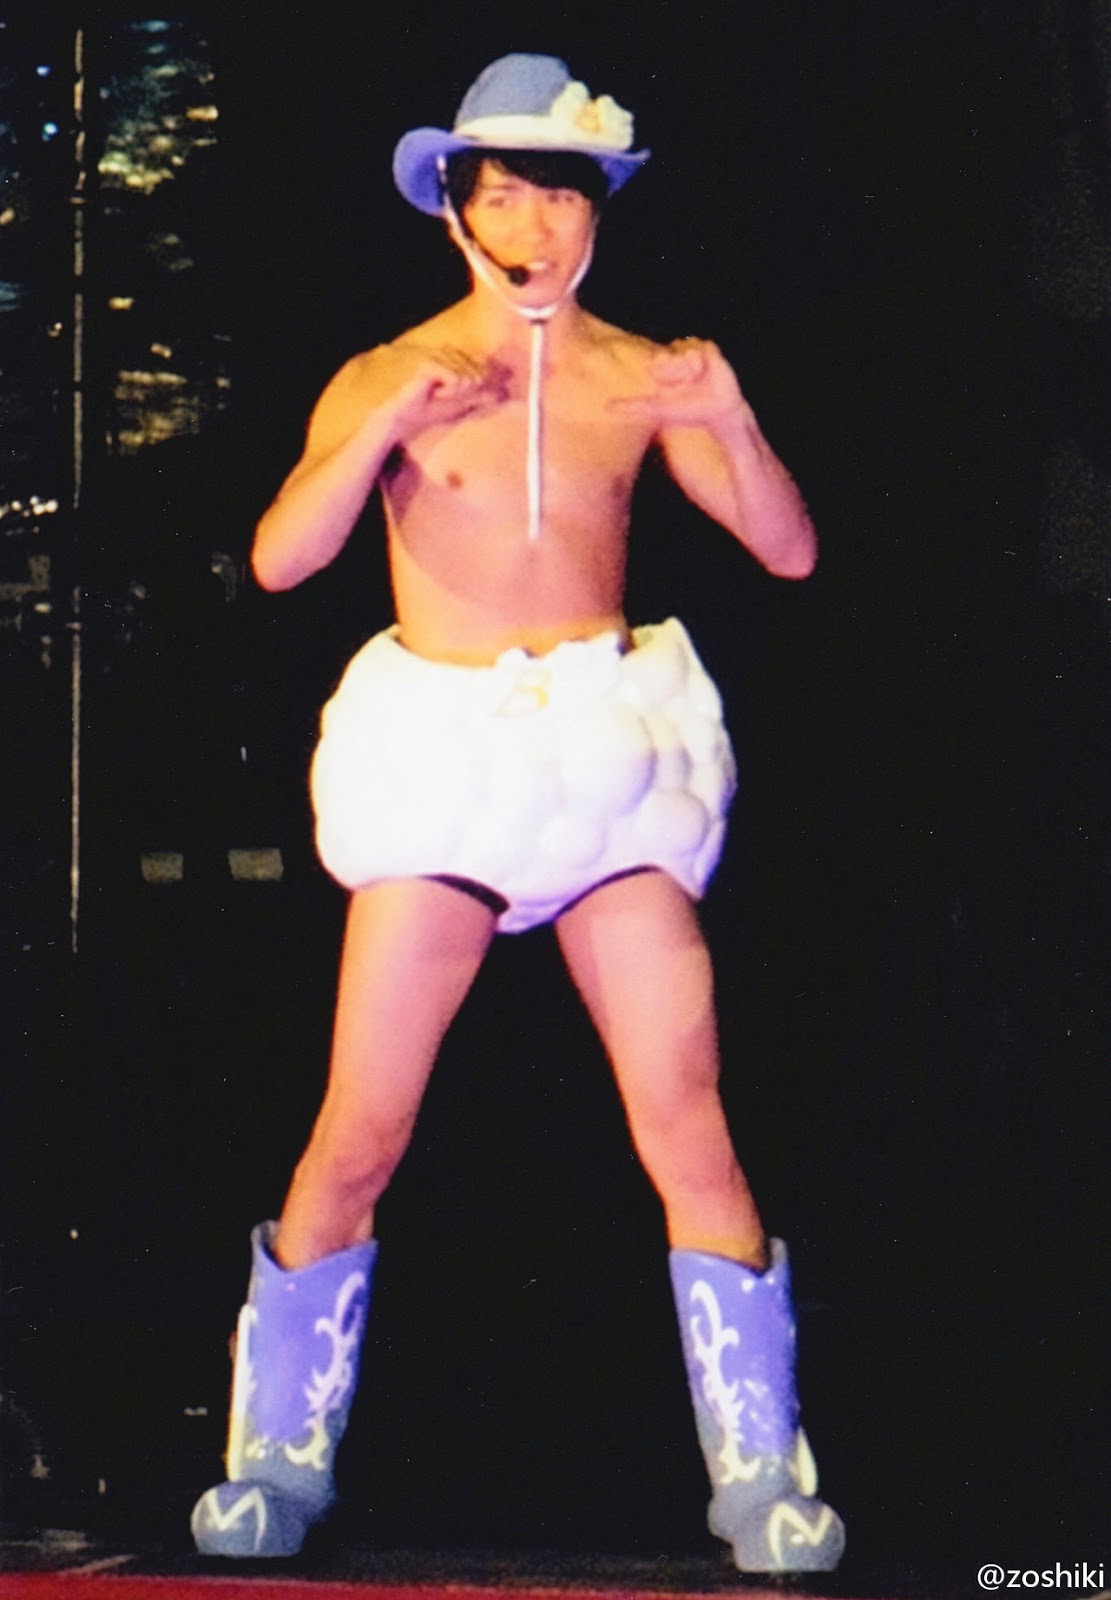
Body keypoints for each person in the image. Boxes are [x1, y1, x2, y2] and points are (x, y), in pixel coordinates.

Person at [191, 53, 845, 1572]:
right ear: (456, 210)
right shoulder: (391, 369)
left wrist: (731, 415)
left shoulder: (645, 375)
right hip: (447, 770)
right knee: (362, 1123)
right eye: (506, 197)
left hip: (609, 772)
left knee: (687, 1115)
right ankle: (275, 1464)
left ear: (596, 211)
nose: (534, 226)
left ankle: (763, 1479)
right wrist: (378, 429)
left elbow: (791, 550)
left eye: (560, 196)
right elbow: (282, 559)